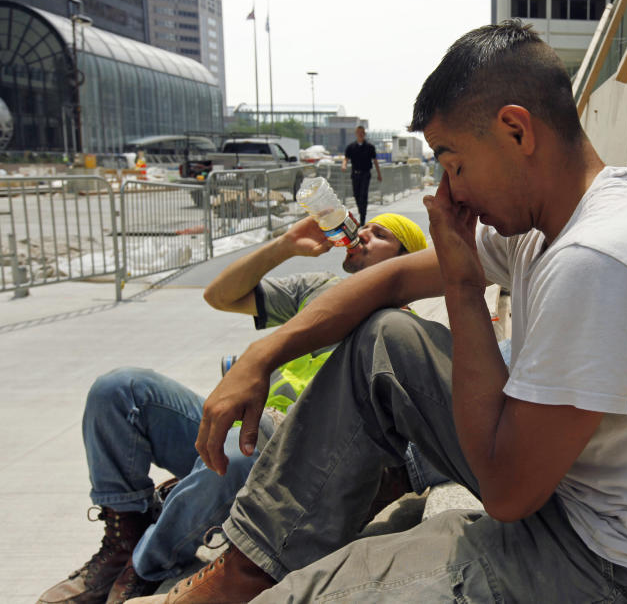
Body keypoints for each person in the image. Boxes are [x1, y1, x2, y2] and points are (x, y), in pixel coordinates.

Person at [131, 20, 627, 604]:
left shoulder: (599, 259)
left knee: (303, 596)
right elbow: (391, 279)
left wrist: (462, 284)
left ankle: (265, 577)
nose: (452, 192)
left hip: (621, 572)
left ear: (516, 131)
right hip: (574, 500)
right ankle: (246, 567)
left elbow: (507, 493)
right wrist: (265, 353)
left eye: (454, 163)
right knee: (387, 342)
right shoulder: (553, 220)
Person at [37, 213, 429, 604]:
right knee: (121, 390)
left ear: (404, 262)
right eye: (366, 226)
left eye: (380, 235)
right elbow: (219, 296)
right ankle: (124, 533)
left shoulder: (397, 331)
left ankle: (144, 566)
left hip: (290, 458)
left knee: (239, 454)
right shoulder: (320, 288)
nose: (362, 234)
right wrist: (285, 246)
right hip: (240, 427)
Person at [341, 125, 382, 225]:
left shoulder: (370, 147)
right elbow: (346, 158)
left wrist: (379, 174)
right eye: (358, 132)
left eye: (362, 132)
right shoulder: (351, 147)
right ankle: (361, 210)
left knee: (363, 195)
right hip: (355, 174)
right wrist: (344, 165)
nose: (360, 134)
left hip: (365, 174)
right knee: (356, 195)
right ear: (356, 134)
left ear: (364, 134)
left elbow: (375, 161)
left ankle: (363, 218)